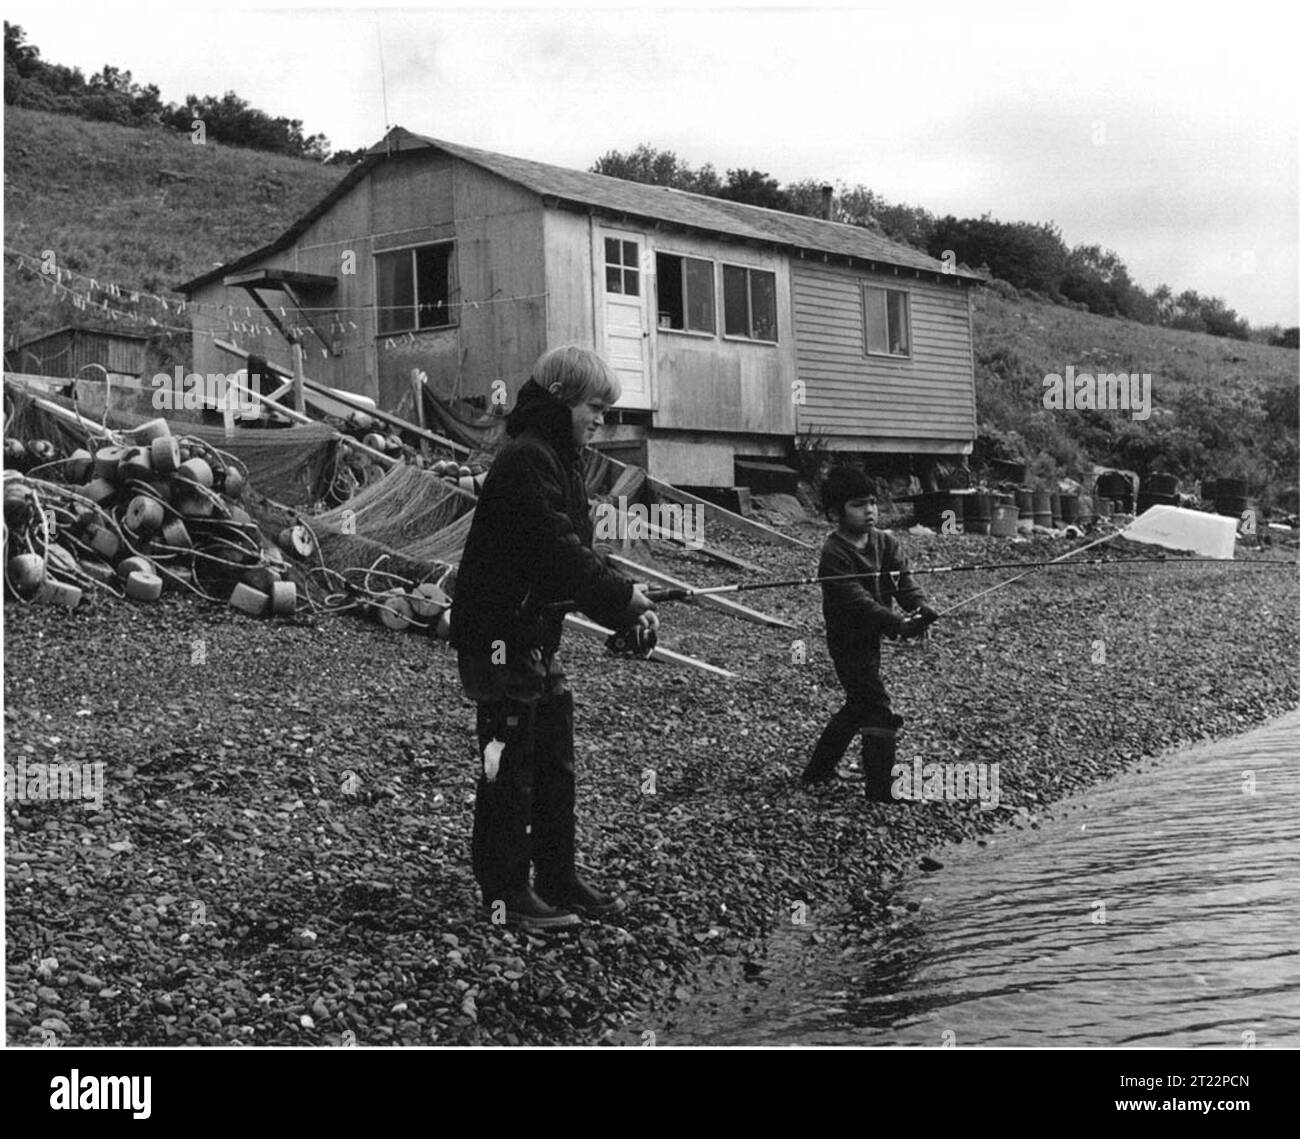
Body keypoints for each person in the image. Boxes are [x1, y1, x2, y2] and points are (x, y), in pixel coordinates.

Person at [450, 345, 659, 930]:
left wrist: (626, 608)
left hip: (535, 636)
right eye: (595, 407)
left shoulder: (560, 458)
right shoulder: (526, 459)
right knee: (507, 768)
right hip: (498, 638)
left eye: (607, 410)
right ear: (563, 399)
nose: (602, 420)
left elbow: (575, 554)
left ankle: (558, 877)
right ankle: (506, 894)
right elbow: (555, 552)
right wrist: (622, 601)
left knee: (553, 764)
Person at [801, 465, 938, 801]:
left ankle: (817, 771)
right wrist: (897, 624)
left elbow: (903, 582)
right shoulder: (833, 553)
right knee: (877, 705)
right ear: (836, 513)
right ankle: (881, 788)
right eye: (859, 505)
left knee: (858, 705)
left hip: (874, 636)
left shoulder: (885, 542)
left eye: (873, 503)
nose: (870, 511)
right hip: (847, 640)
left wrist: (919, 608)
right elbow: (857, 602)